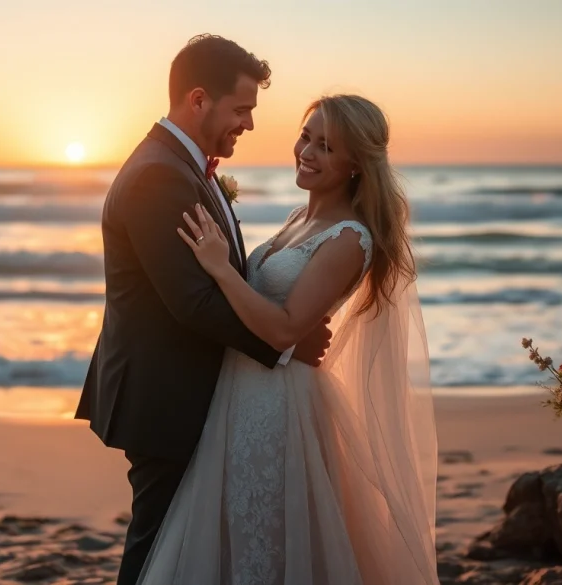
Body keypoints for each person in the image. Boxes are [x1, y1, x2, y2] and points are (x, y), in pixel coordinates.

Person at [137, 94, 440, 584]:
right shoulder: (301, 219)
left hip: (278, 405)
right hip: (241, 393)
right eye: (306, 136)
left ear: (355, 164)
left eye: (326, 146)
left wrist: (219, 269)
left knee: (264, 538)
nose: (307, 152)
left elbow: (284, 328)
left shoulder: (348, 239)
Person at [75, 34, 333, 585]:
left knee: (179, 546)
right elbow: (190, 301)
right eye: (241, 109)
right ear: (198, 100)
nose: (250, 124)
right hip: (165, 398)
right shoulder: (157, 176)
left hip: (181, 391)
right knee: (156, 546)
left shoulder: (181, 165)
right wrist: (284, 341)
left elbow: (218, 277)